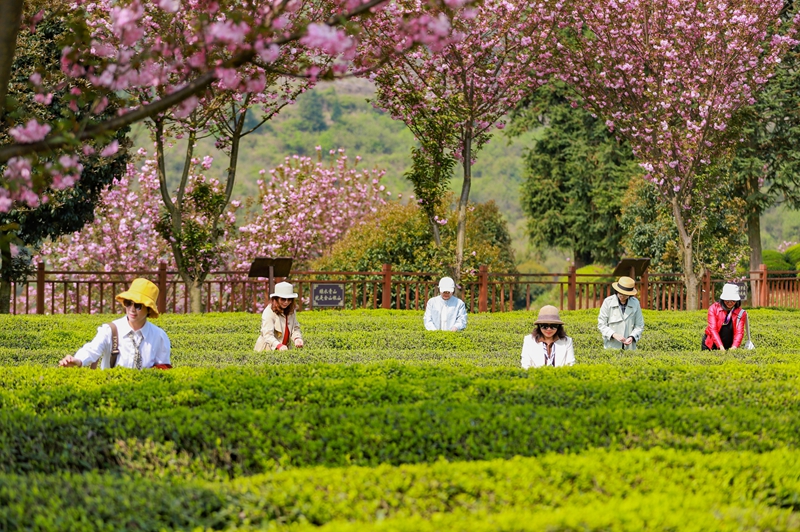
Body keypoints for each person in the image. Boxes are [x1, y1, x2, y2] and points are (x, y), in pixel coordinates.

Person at [58, 278, 171, 369]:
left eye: (138, 306)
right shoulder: (111, 330)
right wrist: (78, 360)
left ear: (149, 309)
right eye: (128, 303)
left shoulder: (159, 336)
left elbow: (163, 367)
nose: (132, 309)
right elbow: (92, 350)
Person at [597, 276, 645, 350]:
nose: (622, 296)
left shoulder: (635, 303)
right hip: (612, 347)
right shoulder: (608, 302)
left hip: (629, 348)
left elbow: (639, 325)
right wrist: (614, 334)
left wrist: (632, 337)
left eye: (625, 294)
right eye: (620, 293)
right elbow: (601, 324)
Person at [254, 281, 304, 351]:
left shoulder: (291, 311)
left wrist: (297, 338)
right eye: (283, 299)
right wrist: (278, 345)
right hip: (267, 350)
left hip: (285, 350)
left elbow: (295, 328)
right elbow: (267, 334)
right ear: (276, 298)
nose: (286, 302)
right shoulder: (269, 311)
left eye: (289, 299)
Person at [702, 283, 747, 351]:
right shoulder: (713, 308)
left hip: (729, 345)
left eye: (733, 300)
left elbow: (739, 332)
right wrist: (720, 347)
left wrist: (734, 347)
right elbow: (713, 329)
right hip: (711, 345)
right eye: (727, 300)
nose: (730, 302)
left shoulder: (741, 313)